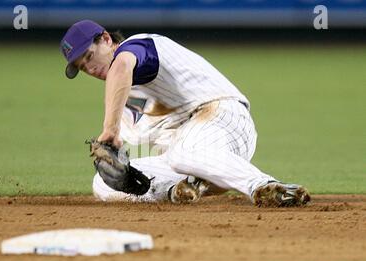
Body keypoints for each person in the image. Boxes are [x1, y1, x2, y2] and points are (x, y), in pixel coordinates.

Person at [60, 20, 311, 207]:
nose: (90, 68)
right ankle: (180, 189)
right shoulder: (123, 103)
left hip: (224, 116)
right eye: (83, 67)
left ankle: (265, 186)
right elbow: (154, 149)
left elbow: (122, 67)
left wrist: (110, 130)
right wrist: (120, 162)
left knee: (182, 154)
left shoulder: (139, 46)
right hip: (196, 152)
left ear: (105, 38)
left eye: (90, 57)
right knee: (103, 184)